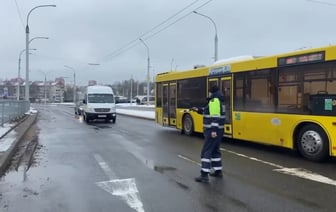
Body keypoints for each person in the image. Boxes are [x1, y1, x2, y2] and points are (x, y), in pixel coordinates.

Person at [192, 85, 225, 183]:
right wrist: (198, 110)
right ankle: (218, 171)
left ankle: (204, 175)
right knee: (215, 150)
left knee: (206, 152)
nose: (209, 93)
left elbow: (215, 116)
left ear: (212, 92)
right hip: (219, 130)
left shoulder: (214, 100)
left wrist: (213, 130)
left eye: (209, 92)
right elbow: (209, 111)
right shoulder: (219, 100)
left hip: (212, 130)